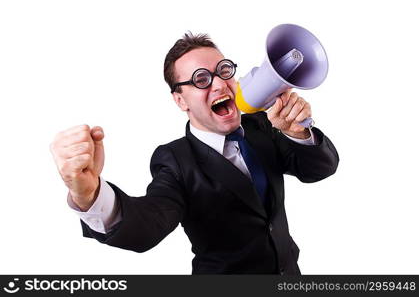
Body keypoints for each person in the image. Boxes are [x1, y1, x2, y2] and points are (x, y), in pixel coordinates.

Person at [50, 33, 339, 275]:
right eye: (200, 79)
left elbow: (319, 169)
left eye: (224, 70)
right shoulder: (175, 160)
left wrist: (298, 132)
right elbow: (148, 225)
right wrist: (90, 196)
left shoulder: (262, 126)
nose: (218, 84)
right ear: (180, 100)